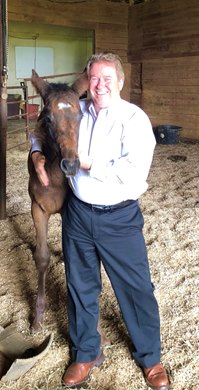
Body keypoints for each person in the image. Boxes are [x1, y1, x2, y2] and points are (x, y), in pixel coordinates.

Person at [31, 53, 170, 390]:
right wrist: (37, 152)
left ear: (120, 81)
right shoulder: (78, 110)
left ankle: (150, 359)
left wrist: (89, 164)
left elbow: (133, 172)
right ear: (87, 83)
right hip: (78, 213)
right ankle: (85, 353)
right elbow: (47, 126)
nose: (100, 85)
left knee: (136, 289)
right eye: (94, 78)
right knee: (80, 287)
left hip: (118, 217)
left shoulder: (134, 120)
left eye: (107, 78)